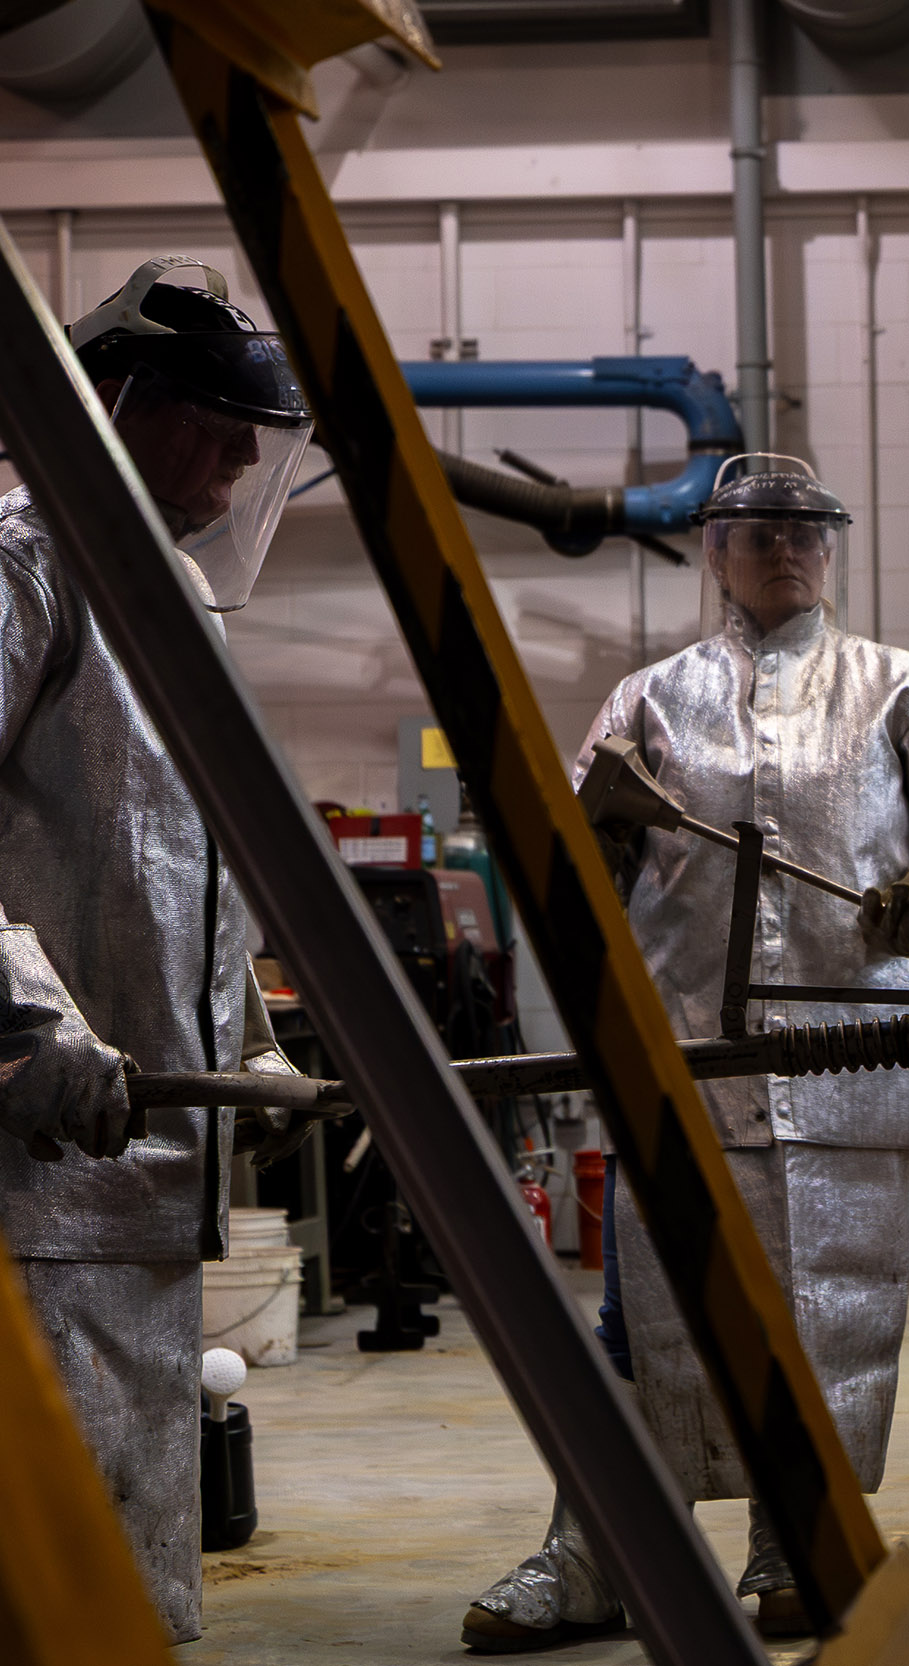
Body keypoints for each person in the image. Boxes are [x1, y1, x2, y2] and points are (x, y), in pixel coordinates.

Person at [462, 455, 909, 1651]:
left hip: (853, 1057)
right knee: (649, 1321)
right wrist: (580, 844)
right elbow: (577, 859)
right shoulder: (650, 699)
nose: (784, 548)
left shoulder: (901, 689)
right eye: (757, 531)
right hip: (682, 1059)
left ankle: (796, 1541)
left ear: (834, 547)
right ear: (711, 549)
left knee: (831, 1317)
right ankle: (596, 1550)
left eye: (806, 529)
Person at [0, 256, 313, 1641]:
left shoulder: (168, 595)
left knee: (126, 1577)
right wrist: (26, 1027)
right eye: (216, 417)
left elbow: (188, 865)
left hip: (138, 1170)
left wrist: (254, 1038)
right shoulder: (25, 566)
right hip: (32, 1170)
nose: (250, 454)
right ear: (117, 404)